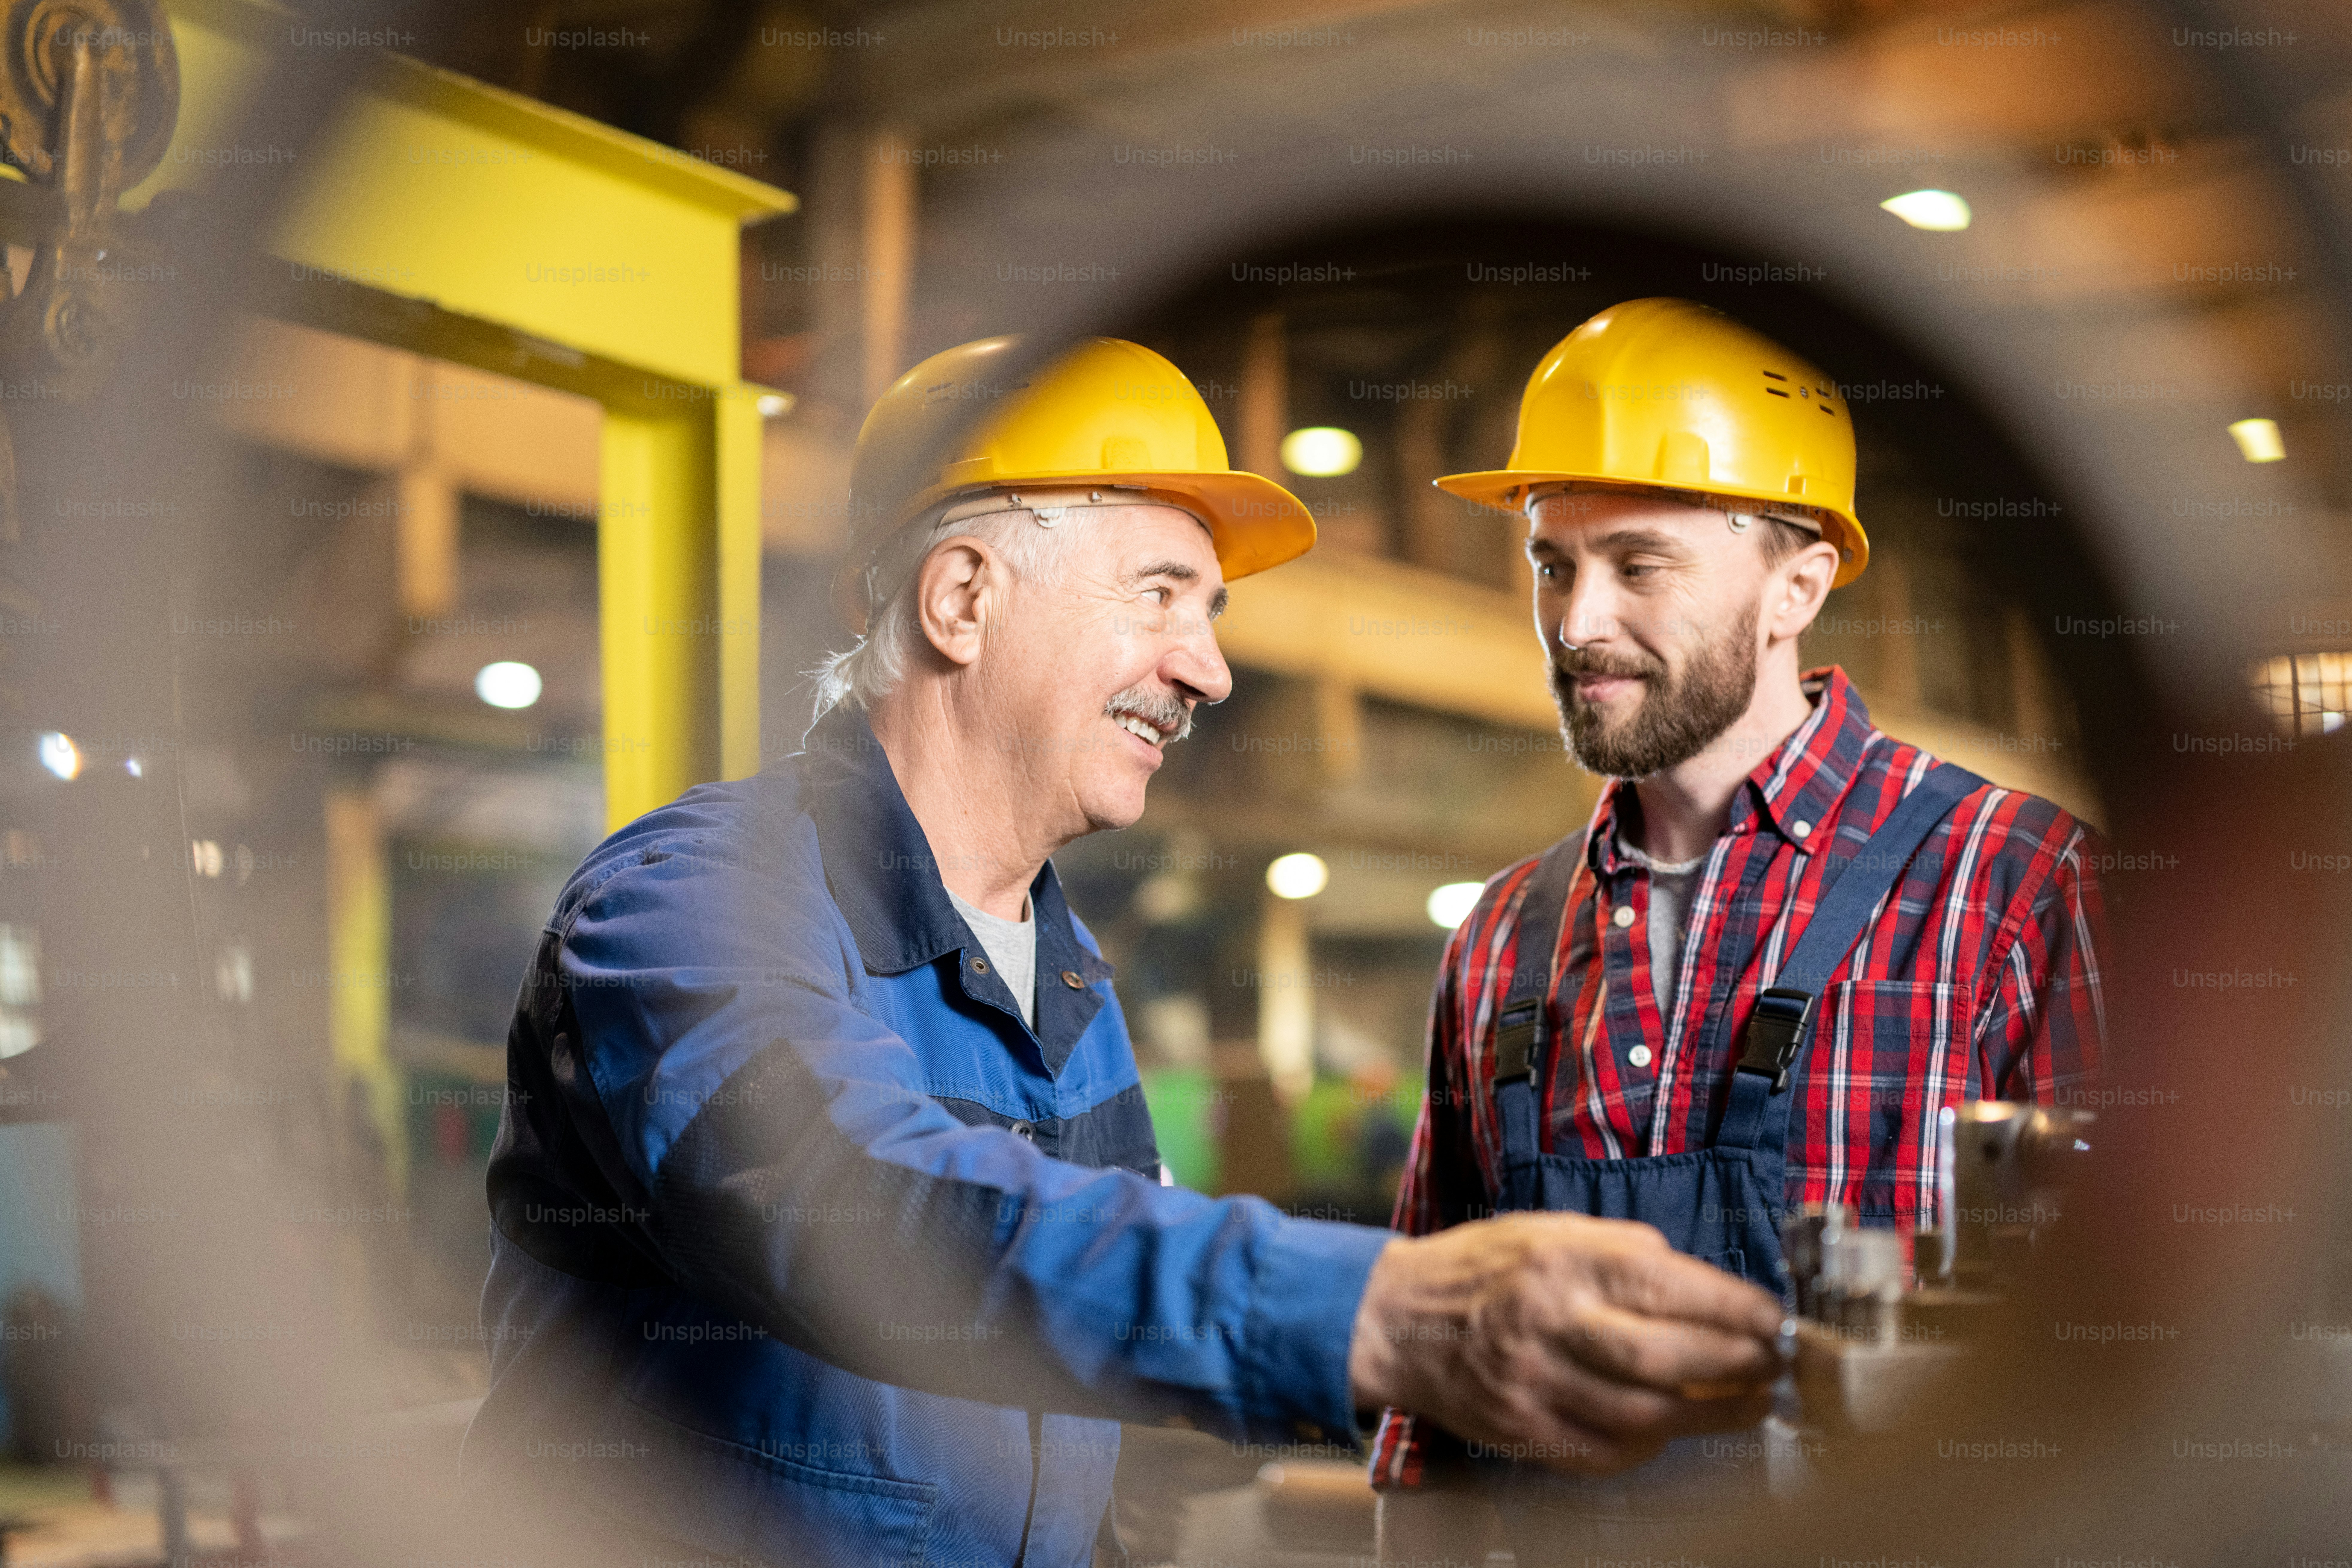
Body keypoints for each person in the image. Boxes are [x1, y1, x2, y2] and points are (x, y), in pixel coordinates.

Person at [455, 333, 1788, 1568]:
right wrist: (1374, 1313)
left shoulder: (1065, 979)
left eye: (1207, 613)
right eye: (1162, 594)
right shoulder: (687, 905)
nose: (1207, 671)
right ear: (964, 597)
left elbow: (1080, 1352)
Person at [1370, 299, 2110, 1566]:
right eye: (1554, 562)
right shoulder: (1502, 937)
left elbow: (2133, 1351)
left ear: (1798, 582)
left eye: (1639, 563)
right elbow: (1429, 1374)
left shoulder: (2014, 885)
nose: (1578, 622)